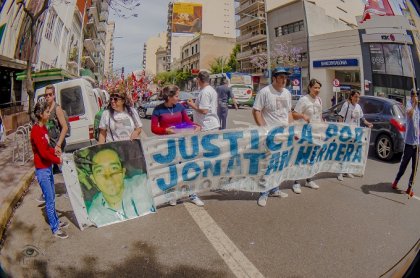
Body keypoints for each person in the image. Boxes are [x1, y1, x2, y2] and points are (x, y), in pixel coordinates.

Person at [151, 85, 201, 206]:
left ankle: (192, 194)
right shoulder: (157, 109)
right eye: (177, 96)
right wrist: (166, 130)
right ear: (169, 97)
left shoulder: (180, 107)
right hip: (168, 145)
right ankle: (173, 194)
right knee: (172, 171)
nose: (179, 98)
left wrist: (196, 126)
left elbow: (187, 121)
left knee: (187, 168)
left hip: (182, 143)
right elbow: (153, 128)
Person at [252, 67, 293, 207]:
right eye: (281, 77)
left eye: (285, 78)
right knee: (268, 164)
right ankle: (263, 192)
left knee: (280, 163)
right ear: (274, 78)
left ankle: (275, 189)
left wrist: (291, 129)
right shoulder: (265, 92)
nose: (284, 80)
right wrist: (264, 128)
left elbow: (288, 112)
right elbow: (256, 110)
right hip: (270, 135)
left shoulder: (287, 93)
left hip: (284, 135)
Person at [88, 148, 155, 226]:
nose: (108, 177)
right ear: (93, 179)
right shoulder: (94, 214)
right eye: (99, 171)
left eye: (114, 168)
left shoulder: (144, 184)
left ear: (123, 172)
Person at [30, 102, 69, 239]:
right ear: (41, 115)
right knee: (50, 200)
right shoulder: (36, 131)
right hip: (42, 170)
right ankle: (55, 228)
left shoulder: (43, 128)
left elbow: (47, 149)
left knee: (52, 197)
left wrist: (55, 150)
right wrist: (57, 160)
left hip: (48, 168)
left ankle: (56, 221)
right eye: (47, 112)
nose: (49, 113)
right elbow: (43, 153)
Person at [186, 71, 220, 206]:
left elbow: (204, 110)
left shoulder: (205, 92)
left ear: (200, 80)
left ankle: (196, 187)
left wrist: (191, 104)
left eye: (196, 80)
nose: (196, 82)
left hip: (206, 127)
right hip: (210, 126)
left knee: (200, 159)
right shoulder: (210, 90)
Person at [291, 79, 323, 194]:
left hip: (316, 132)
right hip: (304, 132)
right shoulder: (303, 100)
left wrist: (322, 129)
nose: (317, 90)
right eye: (315, 87)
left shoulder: (319, 100)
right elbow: (294, 115)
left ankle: (309, 179)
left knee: (313, 157)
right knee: (301, 156)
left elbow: (319, 116)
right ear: (309, 88)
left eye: (319, 88)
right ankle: (296, 182)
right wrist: (303, 116)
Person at [337, 91, 373, 181]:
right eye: (356, 97)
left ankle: (347, 170)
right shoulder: (346, 105)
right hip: (346, 132)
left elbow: (362, 118)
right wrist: (341, 129)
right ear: (351, 97)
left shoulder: (358, 106)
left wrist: (368, 124)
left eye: (358, 97)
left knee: (350, 152)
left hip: (355, 132)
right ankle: (339, 172)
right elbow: (340, 117)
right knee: (343, 152)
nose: (357, 99)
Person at [391, 89, 419, 197]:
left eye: (417, 96)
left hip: (417, 144)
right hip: (409, 143)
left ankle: (409, 188)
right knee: (404, 165)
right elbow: (410, 114)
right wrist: (414, 104)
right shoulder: (409, 105)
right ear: (411, 96)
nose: (416, 97)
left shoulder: (419, 108)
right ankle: (396, 181)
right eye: (414, 95)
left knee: (415, 168)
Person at [44, 84, 69, 174]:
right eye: (46, 95)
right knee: (52, 173)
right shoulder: (46, 109)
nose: (48, 97)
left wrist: (58, 145)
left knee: (63, 172)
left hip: (58, 146)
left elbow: (65, 127)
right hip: (49, 146)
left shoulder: (57, 108)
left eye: (50, 94)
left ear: (54, 95)